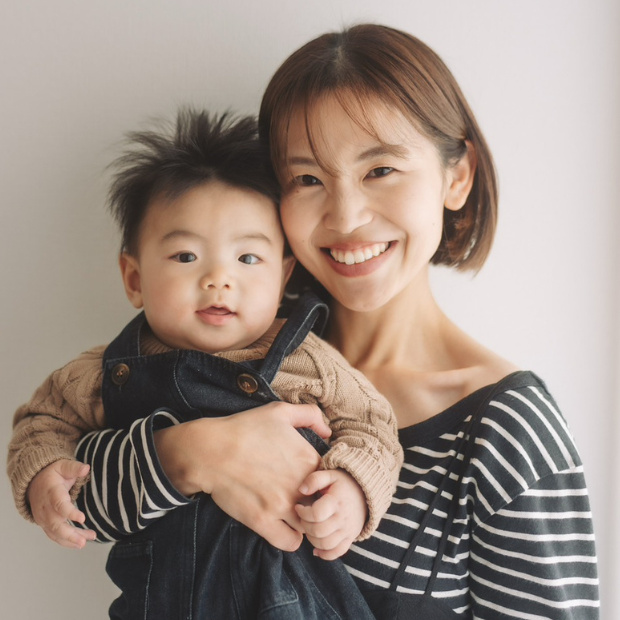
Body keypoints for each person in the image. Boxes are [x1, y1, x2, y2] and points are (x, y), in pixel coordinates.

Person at [14, 23, 600, 619]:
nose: (346, 217)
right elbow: (77, 502)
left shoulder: (506, 428)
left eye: (380, 170)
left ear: (457, 176)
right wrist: (192, 453)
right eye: (308, 179)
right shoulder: (220, 346)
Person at [8, 108, 402, 618]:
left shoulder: (309, 362)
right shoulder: (104, 372)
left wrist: (352, 488)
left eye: (248, 259)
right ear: (134, 278)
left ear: (283, 278)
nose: (219, 279)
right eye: (186, 257)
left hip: (295, 603)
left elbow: (374, 428)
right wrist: (42, 475)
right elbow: (41, 423)